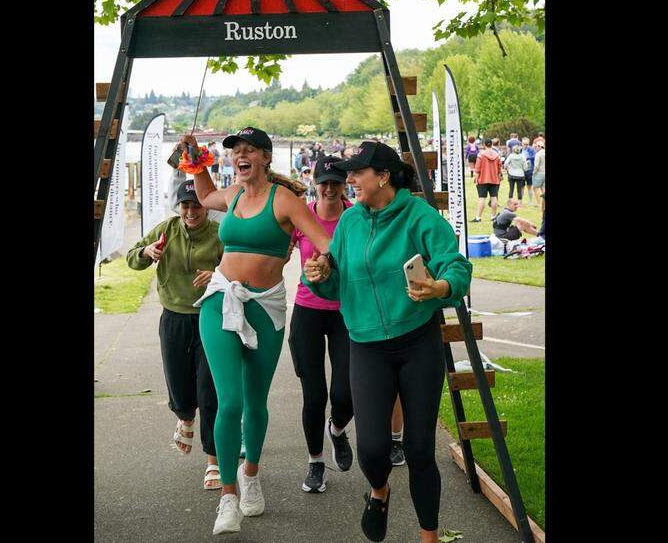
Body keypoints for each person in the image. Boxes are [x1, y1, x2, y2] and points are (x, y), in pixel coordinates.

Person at [303, 140, 473, 543]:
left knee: (418, 451)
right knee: (373, 452)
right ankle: (379, 491)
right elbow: (339, 286)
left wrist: (441, 287)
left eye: (358, 172)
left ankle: (428, 536)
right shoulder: (350, 223)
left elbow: (456, 265)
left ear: (383, 177)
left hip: (418, 343)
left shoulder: (419, 216)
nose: (350, 180)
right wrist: (321, 278)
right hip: (366, 345)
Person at [179, 127, 336, 535]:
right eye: (235, 152)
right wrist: (196, 159)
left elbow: (324, 241)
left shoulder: (285, 200)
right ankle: (228, 495)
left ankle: (250, 474)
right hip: (220, 299)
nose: (240, 156)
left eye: (249, 150)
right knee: (228, 401)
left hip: (265, 307)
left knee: (254, 402)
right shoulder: (230, 196)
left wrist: (321, 264)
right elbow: (205, 193)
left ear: (266, 158)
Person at [125, 181, 225, 491]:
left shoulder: (220, 233)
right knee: (180, 386)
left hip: (210, 316)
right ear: (178, 207)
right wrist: (147, 251)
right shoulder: (166, 229)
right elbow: (132, 258)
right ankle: (184, 417)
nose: (191, 211)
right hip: (174, 317)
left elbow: (239, 268)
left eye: (197, 205)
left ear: (207, 206)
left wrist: (218, 275)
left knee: (210, 391)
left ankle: (214, 460)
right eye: (186, 205)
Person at [288, 156, 354, 494]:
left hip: (346, 313)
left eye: (336, 181)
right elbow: (274, 254)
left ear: (346, 183)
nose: (329, 188)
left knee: (347, 393)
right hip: (308, 311)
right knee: (314, 396)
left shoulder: (355, 217)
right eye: (323, 181)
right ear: (314, 182)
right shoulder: (301, 215)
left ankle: (338, 430)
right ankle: (315, 462)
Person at [472, 139, 502, 222]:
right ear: (491, 145)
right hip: (494, 179)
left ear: (484, 145)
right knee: (494, 198)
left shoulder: (481, 155)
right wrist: (499, 175)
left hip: (483, 179)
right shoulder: (497, 155)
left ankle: (478, 217)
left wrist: (476, 178)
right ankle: (493, 216)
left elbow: (477, 168)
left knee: (482, 198)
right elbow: (500, 167)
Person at [521, 138, 536, 205]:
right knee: (521, 187)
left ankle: (531, 201)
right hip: (521, 171)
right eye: (524, 144)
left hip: (529, 170)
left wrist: (527, 158)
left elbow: (534, 157)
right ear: (522, 143)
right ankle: (520, 201)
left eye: (527, 144)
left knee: (529, 186)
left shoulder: (532, 150)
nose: (526, 145)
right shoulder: (519, 150)